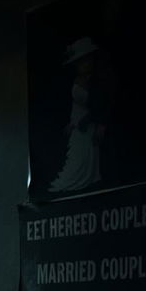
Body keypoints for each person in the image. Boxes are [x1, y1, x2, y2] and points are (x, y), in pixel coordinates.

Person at [48, 36, 116, 195]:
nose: (86, 64)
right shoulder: (78, 83)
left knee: (90, 158)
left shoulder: (98, 81)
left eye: (88, 60)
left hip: (89, 126)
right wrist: (73, 123)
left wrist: (99, 124)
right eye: (81, 62)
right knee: (79, 158)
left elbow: (101, 105)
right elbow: (78, 108)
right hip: (81, 128)